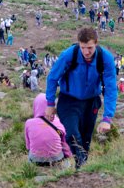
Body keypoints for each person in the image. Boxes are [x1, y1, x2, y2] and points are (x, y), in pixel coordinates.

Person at [45, 28, 117, 168]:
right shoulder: (69, 55)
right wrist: (50, 103)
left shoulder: (105, 58)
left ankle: (81, 170)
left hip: (91, 102)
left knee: (85, 140)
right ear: (79, 44)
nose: (86, 52)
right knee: (72, 134)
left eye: (90, 47)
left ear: (96, 43)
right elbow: (52, 78)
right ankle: (82, 165)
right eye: (83, 47)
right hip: (69, 100)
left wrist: (107, 118)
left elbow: (110, 88)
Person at [24, 94, 73, 166]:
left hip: (36, 160)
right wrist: (68, 155)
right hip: (56, 159)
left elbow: (28, 146)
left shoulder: (29, 123)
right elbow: (64, 142)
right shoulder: (58, 122)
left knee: (30, 155)